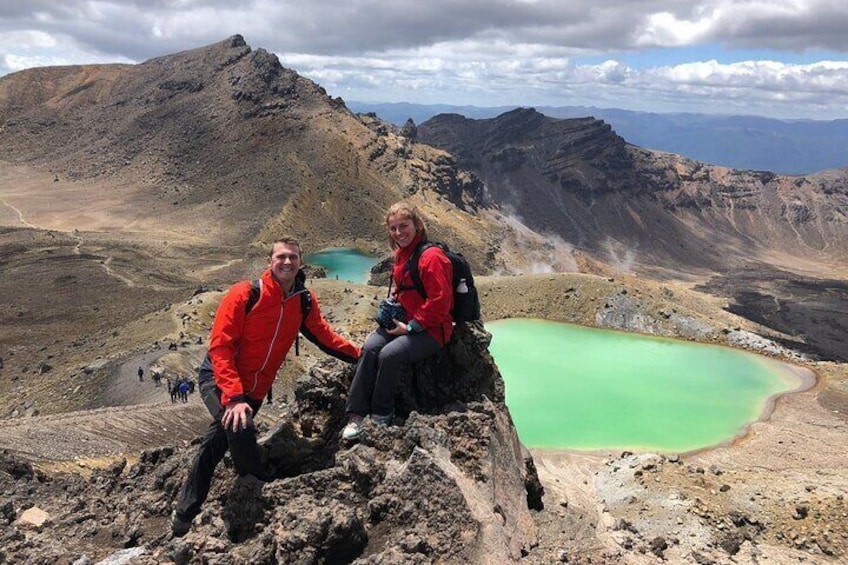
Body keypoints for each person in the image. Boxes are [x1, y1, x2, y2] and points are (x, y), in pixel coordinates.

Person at [171, 237, 360, 537]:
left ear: (301, 261)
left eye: (293, 257)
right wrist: (232, 397)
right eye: (281, 257)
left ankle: (191, 511)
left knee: (219, 440)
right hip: (219, 380)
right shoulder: (245, 294)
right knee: (235, 429)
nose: (287, 262)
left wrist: (362, 356)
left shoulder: (303, 300)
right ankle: (250, 489)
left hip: (254, 391)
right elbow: (220, 348)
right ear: (270, 261)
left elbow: (324, 337)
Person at [342, 201, 453, 441]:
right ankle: (356, 413)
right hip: (403, 320)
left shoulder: (431, 257)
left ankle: (382, 413)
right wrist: (397, 298)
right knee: (370, 348)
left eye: (404, 226)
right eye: (393, 228)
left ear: (417, 225)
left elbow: (441, 303)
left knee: (389, 355)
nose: (399, 233)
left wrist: (411, 327)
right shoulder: (402, 254)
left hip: (431, 329)